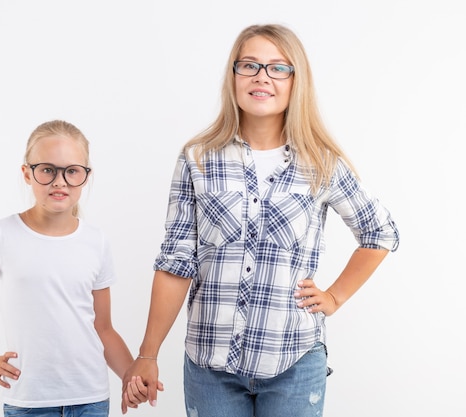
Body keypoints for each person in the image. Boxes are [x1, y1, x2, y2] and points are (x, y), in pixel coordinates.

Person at [120, 24, 400, 417]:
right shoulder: (197, 159)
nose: (261, 77)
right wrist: (147, 353)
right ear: (233, 76)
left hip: (293, 360)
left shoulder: (322, 163)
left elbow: (380, 232)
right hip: (209, 364)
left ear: (294, 80)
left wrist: (335, 296)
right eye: (249, 65)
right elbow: (175, 262)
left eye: (277, 68)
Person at [0, 120, 148, 417]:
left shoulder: (96, 241)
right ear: (27, 173)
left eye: (71, 171)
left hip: (91, 399)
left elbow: (103, 328)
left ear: (85, 177)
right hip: (30, 402)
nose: (60, 181)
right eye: (48, 170)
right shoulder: (0, 234)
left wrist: (129, 377)